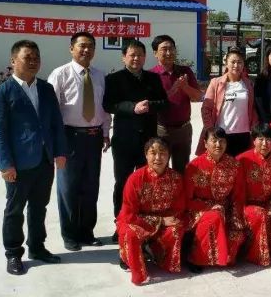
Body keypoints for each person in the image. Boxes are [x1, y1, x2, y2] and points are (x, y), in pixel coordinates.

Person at [0, 40, 67, 275]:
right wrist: (5, 165)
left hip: (44, 160)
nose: (33, 62)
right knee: (15, 210)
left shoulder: (46, 89)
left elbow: (56, 123)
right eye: (27, 57)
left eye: (36, 58)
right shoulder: (2, 94)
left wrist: (60, 151)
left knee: (39, 207)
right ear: (13, 61)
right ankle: (13, 253)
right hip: (19, 164)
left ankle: (37, 247)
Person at [48, 32, 111, 251]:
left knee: (90, 187)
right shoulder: (60, 74)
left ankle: (86, 232)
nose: (86, 50)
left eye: (91, 46)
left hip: (94, 137)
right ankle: (70, 234)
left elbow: (104, 108)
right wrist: (56, 142)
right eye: (82, 46)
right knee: (68, 188)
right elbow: (52, 111)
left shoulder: (100, 75)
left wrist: (105, 132)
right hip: (69, 137)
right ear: (71, 48)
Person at [103, 40, 168, 242]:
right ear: (124, 57)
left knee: (146, 183)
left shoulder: (153, 78)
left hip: (148, 141)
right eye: (132, 55)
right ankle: (121, 223)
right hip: (124, 140)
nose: (136, 58)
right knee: (122, 183)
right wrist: (132, 107)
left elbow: (164, 102)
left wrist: (149, 105)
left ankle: (144, 222)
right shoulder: (114, 79)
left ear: (145, 57)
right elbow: (109, 104)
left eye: (140, 55)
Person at [116, 137, 187, 286]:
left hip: (164, 219)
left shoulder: (176, 178)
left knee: (176, 228)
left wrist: (166, 220)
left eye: (162, 153)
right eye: (153, 153)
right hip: (136, 221)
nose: (158, 158)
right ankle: (133, 264)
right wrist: (159, 221)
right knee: (130, 233)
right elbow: (129, 214)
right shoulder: (135, 179)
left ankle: (159, 256)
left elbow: (179, 208)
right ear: (146, 155)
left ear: (169, 155)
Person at [184, 127, 245, 270]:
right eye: (214, 141)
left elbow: (238, 196)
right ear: (205, 143)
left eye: (222, 141)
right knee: (214, 217)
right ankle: (196, 258)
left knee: (235, 238)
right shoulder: (194, 166)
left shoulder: (234, 165)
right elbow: (186, 199)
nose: (218, 145)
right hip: (198, 209)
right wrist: (208, 207)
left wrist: (236, 217)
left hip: (225, 209)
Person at [149, 34, 204, 171]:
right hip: (161, 130)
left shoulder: (185, 71)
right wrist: (172, 91)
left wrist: (185, 87)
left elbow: (199, 97)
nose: (169, 53)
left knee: (182, 169)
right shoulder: (151, 76)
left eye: (171, 49)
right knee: (160, 169)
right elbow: (151, 104)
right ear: (155, 53)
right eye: (164, 49)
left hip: (184, 129)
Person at [236, 123, 271, 267]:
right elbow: (237, 191)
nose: (264, 144)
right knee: (260, 214)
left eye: (269, 140)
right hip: (246, 205)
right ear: (254, 140)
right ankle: (257, 255)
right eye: (261, 139)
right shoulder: (242, 160)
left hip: (269, 205)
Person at [198, 47, 257, 157]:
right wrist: (210, 130)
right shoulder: (216, 83)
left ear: (243, 64)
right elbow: (206, 109)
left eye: (239, 62)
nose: (236, 65)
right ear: (226, 63)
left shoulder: (248, 84)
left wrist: (254, 128)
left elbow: (253, 108)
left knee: (241, 165)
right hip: (222, 135)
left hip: (243, 134)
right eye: (233, 62)